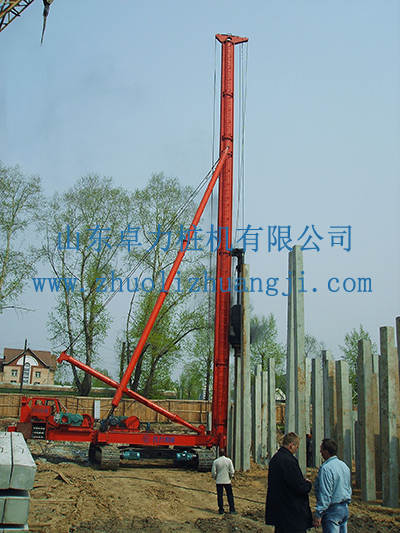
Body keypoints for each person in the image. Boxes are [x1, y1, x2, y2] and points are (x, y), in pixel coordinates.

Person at [265, 432, 312, 533]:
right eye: (297, 447)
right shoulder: (289, 461)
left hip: (279, 513)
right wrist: (308, 484)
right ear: (292, 445)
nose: (297, 450)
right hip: (291, 514)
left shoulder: (275, 458)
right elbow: (299, 486)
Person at [313, 438, 352, 533]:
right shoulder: (344, 466)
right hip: (344, 508)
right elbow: (348, 488)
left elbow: (325, 493)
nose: (320, 452)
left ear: (326, 452)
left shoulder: (326, 469)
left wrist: (318, 514)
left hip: (332, 510)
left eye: (321, 450)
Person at [211, 448, 237, 515]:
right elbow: (232, 471)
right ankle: (232, 509)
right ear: (225, 453)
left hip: (219, 481)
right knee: (230, 495)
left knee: (220, 496)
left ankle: (221, 510)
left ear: (219, 454)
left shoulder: (216, 461)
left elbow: (213, 472)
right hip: (227, 481)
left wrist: (215, 477)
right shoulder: (228, 461)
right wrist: (230, 476)